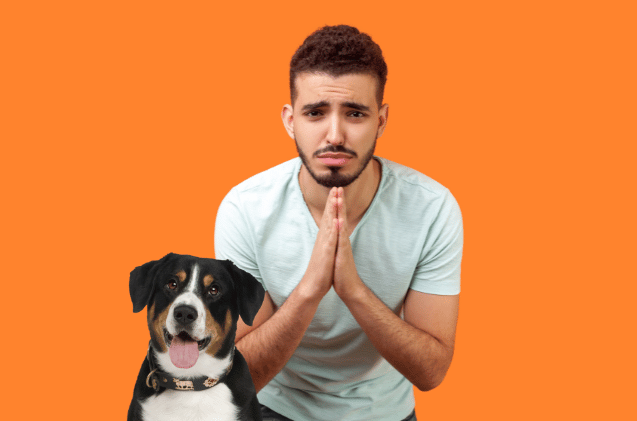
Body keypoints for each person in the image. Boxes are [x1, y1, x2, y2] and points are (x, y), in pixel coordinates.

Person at [214, 25, 463, 421]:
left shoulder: (432, 208)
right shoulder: (244, 209)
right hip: (275, 409)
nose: (335, 135)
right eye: (315, 113)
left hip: (386, 412)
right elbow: (238, 375)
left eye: (355, 113)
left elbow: (431, 371)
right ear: (290, 120)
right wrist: (311, 290)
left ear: (380, 120)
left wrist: (353, 291)